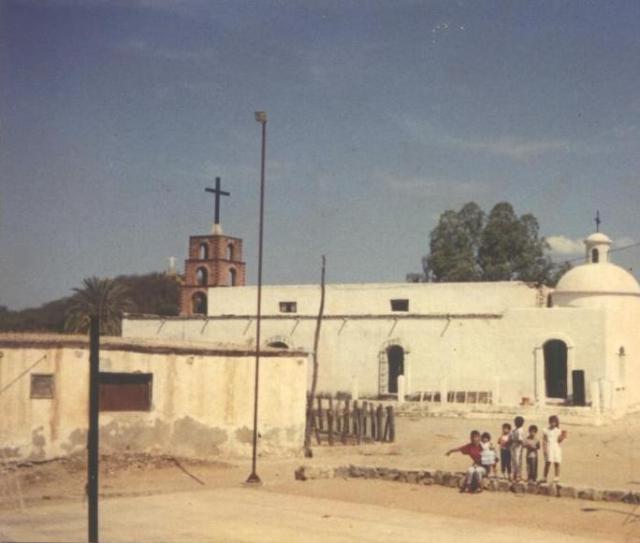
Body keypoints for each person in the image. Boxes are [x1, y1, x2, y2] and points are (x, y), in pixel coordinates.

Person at [542, 415, 567, 483]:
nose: (553, 424)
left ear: (556, 423)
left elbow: (559, 441)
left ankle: (556, 477)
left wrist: (563, 436)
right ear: (549, 422)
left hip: (556, 448)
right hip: (549, 447)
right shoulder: (546, 430)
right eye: (551, 422)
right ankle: (544, 477)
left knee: (557, 462)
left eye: (554, 422)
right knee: (548, 462)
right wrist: (544, 449)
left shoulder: (558, 431)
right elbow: (544, 440)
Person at [510, 416, 526, 482]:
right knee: (514, 462)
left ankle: (518, 476)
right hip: (514, 446)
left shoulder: (520, 430)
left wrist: (514, 440)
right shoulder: (515, 429)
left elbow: (520, 440)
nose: (516, 423)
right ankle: (515, 474)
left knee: (517, 462)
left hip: (518, 447)